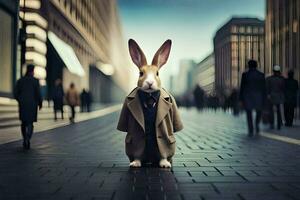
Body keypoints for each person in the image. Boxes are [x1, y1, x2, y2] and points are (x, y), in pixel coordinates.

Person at [14, 64, 42, 149]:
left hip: (23, 105)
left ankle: (24, 138)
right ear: (32, 71)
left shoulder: (20, 80)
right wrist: (40, 103)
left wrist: (20, 100)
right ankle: (27, 138)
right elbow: (38, 93)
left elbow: (15, 93)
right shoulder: (35, 81)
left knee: (23, 122)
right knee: (30, 123)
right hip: (32, 105)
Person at [239, 60, 266, 136]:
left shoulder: (245, 74)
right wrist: (264, 97)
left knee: (249, 113)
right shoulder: (261, 75)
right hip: (258, 96)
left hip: (248, 96)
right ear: (256, 65)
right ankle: (257, 124)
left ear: (249, 65)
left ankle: (251, 129)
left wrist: (241, 99)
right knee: (259, 111)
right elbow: (264, 88)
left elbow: (242, 87)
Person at [266, 65, 285, 130]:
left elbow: (267, 88)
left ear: (273, 71)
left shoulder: (269, 79)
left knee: (271, 111)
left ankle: (272, 123)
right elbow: (283, 88)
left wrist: (268, 95)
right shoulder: (282, 79)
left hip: (272, 96)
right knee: (278, 111)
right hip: (279, 96)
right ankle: (279, 124)